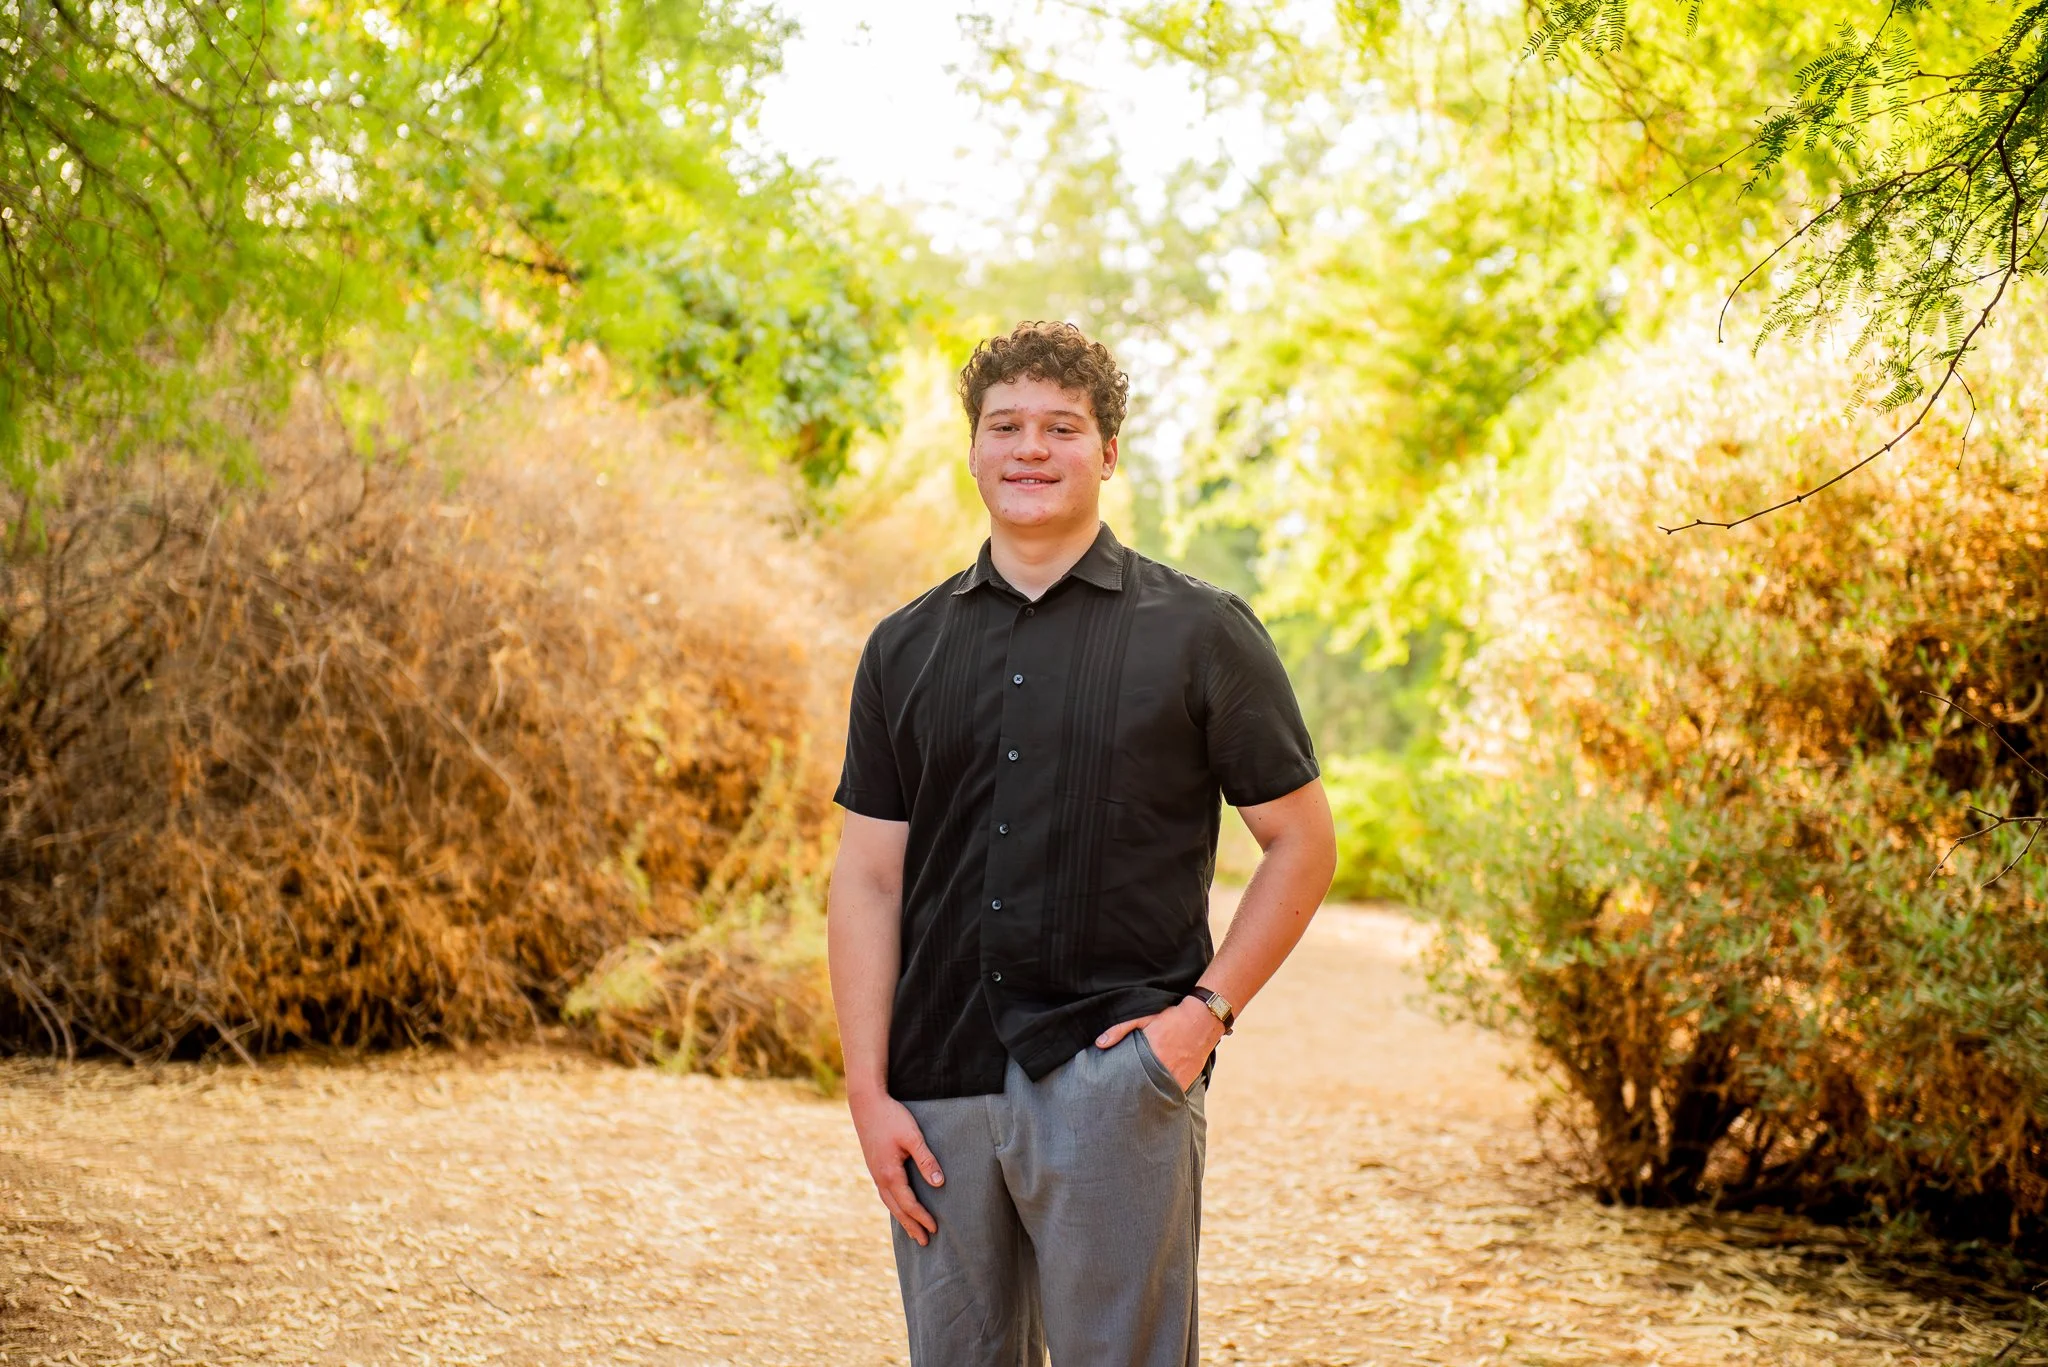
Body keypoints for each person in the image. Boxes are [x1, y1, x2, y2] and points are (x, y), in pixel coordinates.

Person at [828, 320, 1338, 1365]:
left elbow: (1300, 842)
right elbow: (870, 879)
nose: (1029, 448)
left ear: (1106, 452)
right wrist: (868, 1092)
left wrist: (1198, 1023)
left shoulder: (1201, 631)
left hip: (1116, 1077)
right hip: (936, 1086)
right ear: (971, 448)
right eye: (1004, 425)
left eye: (1061, 427)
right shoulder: (902, 646)